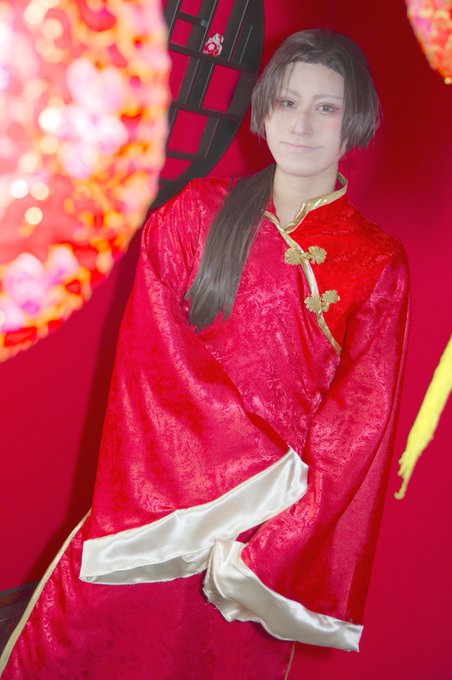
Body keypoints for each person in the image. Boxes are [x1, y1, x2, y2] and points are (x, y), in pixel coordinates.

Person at [0, 29, 410, 680]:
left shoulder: (377, 263)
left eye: (326, 107)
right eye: (287, 102)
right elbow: (152, 361)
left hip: (261, 532)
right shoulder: (194, 214)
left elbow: (362, 423)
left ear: (354, 120)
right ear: (264, 110)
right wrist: (243, 477)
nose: (302, 124)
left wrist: (281, 539)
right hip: (157, 514)